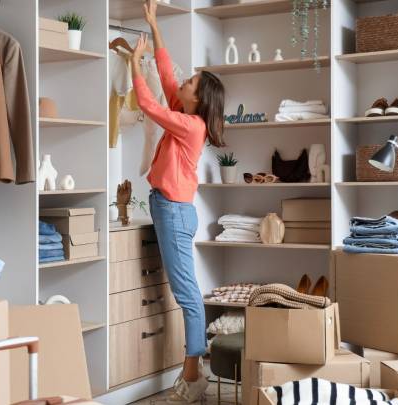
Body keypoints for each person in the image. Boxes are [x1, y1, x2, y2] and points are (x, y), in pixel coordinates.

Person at [130, 0, 226, 402]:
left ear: (197, 98)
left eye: (191, 81)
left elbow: (148, 104)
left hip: (172, 212)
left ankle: (193, 372)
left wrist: (136, 62)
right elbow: (167, 75)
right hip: (172, 210)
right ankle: (193, 369)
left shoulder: (189, 124)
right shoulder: (185, 111)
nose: (184, 81)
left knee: (187, 295)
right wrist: (153, 27)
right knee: (186, 292)